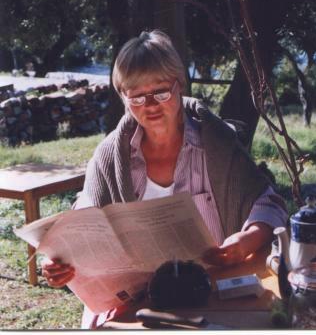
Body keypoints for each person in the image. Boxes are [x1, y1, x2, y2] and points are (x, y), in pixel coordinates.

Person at [40, 30, 288, 328]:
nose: (151, 105)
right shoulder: (110, 155)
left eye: (160, 92)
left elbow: (268, 201)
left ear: (179, 85)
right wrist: (61, 263)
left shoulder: (216, 144)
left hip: (207, 298)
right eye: (137, 97)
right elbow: (84, 219)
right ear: (122, 97)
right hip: (136, 308)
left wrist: (247, 239)